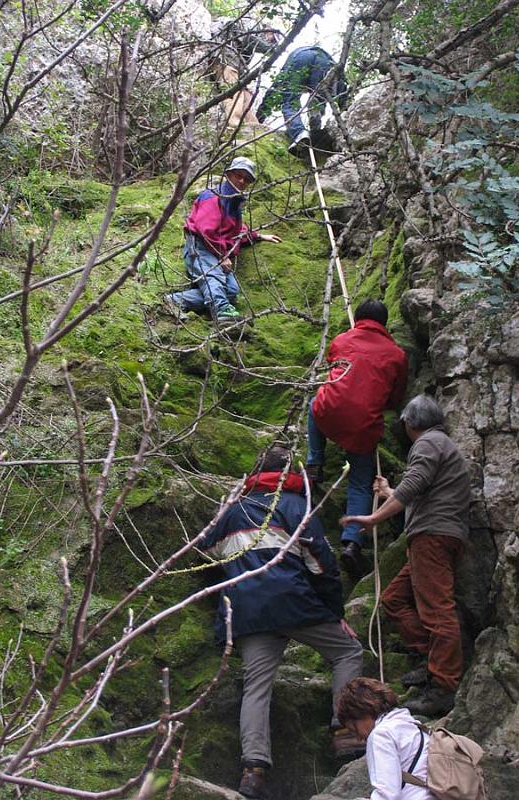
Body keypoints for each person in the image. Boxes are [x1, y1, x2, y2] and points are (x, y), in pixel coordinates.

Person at [202, 445, 364, 800]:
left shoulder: (233, 511)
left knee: (256, 687)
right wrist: (335, 613)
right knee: (347, 652)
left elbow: (206, 552)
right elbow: (322, 566)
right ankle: (345, 733)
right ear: (291, 475)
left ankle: (254, 769)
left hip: (247, 612)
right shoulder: (296, 507)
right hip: (295, 604)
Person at [340, 395, 471, 717]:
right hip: (436, 534)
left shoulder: (427, 443)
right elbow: (423, 490)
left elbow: (414, 483)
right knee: (394, 599)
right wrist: (388, 494)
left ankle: (444, 685)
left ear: (411, 424)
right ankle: (431, 660)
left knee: (437, 610)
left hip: (432, 537)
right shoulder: (442, 444)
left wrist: (373, 518)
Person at [306, 299, 408, 578]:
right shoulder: (397, 354)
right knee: (361, 482)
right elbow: (396, 396)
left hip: (331, 411)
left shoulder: (342, 339)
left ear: (358, 319)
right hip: (363, 425)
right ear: (384, 324)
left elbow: (333, 363)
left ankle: (314, 462)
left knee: (315, 405)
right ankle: (352, 541)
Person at [165, 156, 281, 323]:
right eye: (238, 175)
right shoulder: (213, 196)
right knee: (215, 277)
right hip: (200, 248)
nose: (242, 181)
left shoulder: (234, 203)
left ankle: (175, 300)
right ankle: (222, 312)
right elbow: (206, 230)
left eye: (246, 179)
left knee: (231, 290)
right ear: (228, 174)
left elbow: (236, 232)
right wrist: (222, 256)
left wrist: (259, 236)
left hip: (215, 252)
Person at [337, 677, 433, 800]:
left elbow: (387, 795)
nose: (359, 738)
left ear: (361, 713)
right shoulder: (413, 725)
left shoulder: (381, 735)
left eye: (354, 730)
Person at [256, 45, 348, 154]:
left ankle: (299, 133)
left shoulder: (293, 63)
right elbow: (342, 89)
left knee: (289, 101)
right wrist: (345, 109)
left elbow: (274, 90)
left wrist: (259, 117)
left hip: (300, 57)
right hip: (325, 61)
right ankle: (315, 133)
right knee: (318, 99)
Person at [209, 16, 281, 127]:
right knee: (235, 93)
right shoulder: (252, 24)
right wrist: (270, 49)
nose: (271, 42)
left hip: (233, 64)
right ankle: (234, 125)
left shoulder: (249, 48)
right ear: (269, 31)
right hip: (224, 59)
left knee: (247, 97)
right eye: (272, 39)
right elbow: (248, 38)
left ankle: (254, 130)